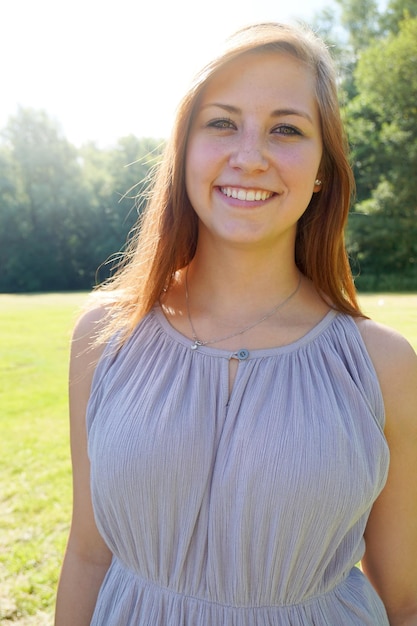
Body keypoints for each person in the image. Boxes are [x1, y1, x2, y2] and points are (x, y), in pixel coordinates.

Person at [55, 22, 417, 626]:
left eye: (286, 129)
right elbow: (90, 556)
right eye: (221, 123)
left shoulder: (385, 366)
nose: (249, 157)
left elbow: (405, 601)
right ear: (184, 149)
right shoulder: (104, 338)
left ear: (323, 166)